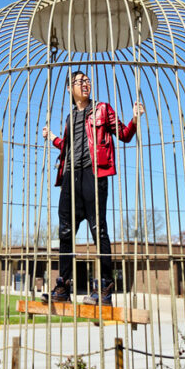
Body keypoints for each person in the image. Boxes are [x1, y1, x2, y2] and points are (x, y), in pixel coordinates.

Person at [42, 71, 144, 305]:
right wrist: (53, 138)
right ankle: (63, 287)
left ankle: (105, 289)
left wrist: (135, 118)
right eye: (80, 81)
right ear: (70, 88)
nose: (85, 84)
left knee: (98, 228)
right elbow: (68, 147)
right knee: (65, 231)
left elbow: (124, 135)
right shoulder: (70, 117)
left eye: (87, 80)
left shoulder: (102, 109)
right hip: (70, 176)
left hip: (94, 173)